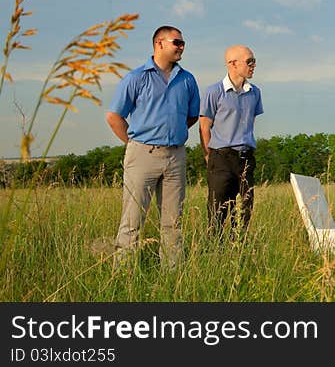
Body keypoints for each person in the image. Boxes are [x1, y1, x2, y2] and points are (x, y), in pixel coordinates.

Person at [106, 26, 200, 267]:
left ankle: (172, 275)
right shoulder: (136, 78)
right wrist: (135, 143)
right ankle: (123, 274)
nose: (181, 47)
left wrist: (172, 133)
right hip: (142, 154)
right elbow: (114, 116)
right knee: (133, 219)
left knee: (173, 221)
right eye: (176, 42)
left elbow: (191, 116)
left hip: (176, 156)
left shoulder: (187, 79)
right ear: (159, 43)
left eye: (183, 43)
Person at [199, 45, 263, 237]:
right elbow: (204, 127)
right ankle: (214, 252)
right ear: (233, 64)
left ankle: (238, 251)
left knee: (244, 209)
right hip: (221, 157)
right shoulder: (214, 92)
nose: (254, 65)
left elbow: (250, 123)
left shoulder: (255, 92)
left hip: (246, 157)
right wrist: (209, 157)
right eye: (249, 61)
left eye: (254, 61)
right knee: (218, 210)